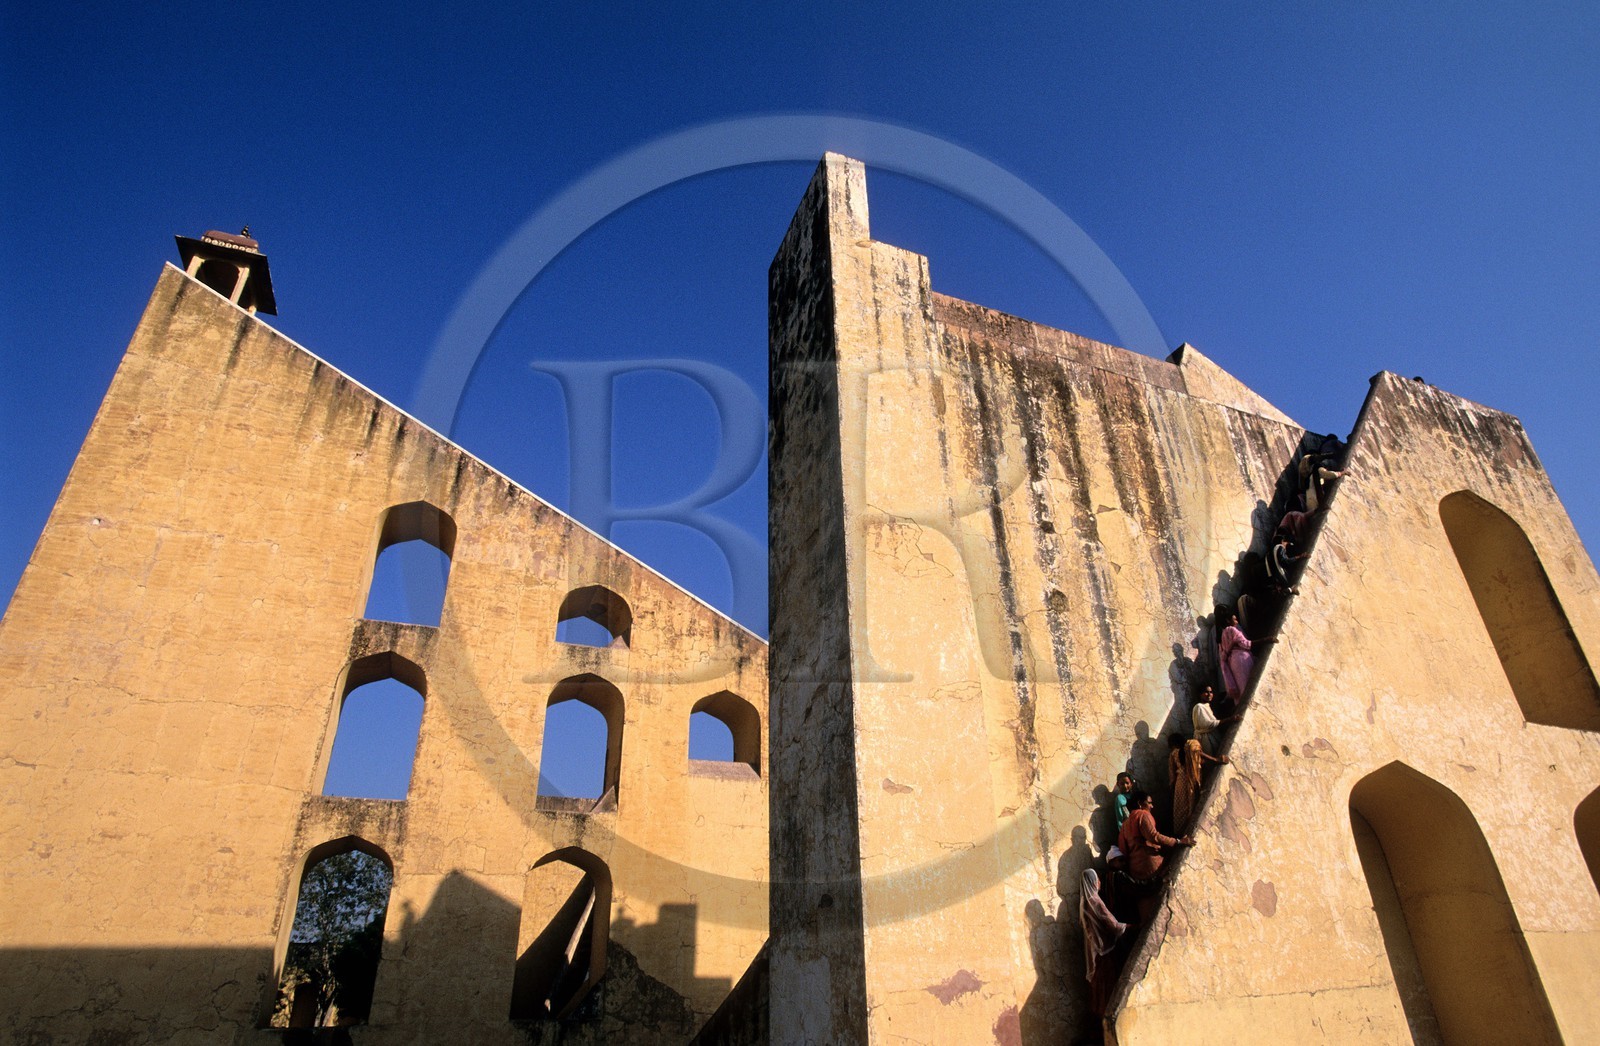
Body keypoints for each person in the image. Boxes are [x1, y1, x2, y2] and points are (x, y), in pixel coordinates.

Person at [1080, 868, 1127, 1017]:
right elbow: (1113, 925)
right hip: (1104, 952)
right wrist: (1131, 926)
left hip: (1094, 952)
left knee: (1098, 992)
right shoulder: (1095, 901)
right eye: (1097, 879)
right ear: (1093, 882)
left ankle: (1097, 1027)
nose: (1099, 882)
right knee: (1107, 989)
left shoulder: (1083, 904)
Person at [1116, 789, 1193, 880]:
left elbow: (1123, 849)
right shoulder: (1142, 815)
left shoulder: (1125, 825)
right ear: (1140, 804)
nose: (1152, 806)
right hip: (1152, 866)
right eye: (1149, 803)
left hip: (1136, 872)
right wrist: (1178, 841)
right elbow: (1154, 836)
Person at [1169, 733, 1227, 831]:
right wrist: (1215, 760)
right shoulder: (1191, 747)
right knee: (1192, 802)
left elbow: (1172, 775)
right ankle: (1190, 828)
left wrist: (1172, 788)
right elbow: (1199, 755)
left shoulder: (1174, 753)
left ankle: (1180, 830)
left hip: (1181, 781)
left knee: (1181, 808)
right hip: (1192, 778)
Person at [1192, 683, 1240, 753]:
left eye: (1211, 692)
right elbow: (1207, 724)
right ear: (1200, 694)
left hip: (1213, 737)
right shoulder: (1199, 707)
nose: (1209, 694)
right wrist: (1230, 719)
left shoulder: (1207, 706)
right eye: (1206, 692)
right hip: (1206, 740)